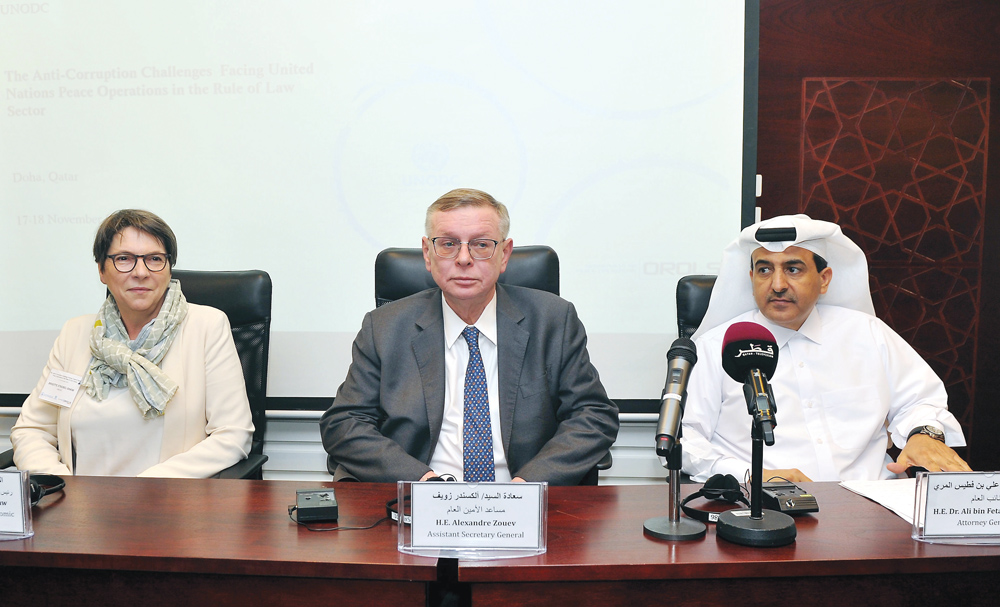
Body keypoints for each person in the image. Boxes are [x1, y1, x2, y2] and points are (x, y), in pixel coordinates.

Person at [320, 188, 618, 485]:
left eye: (481, 245)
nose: (463, 259)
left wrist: (529, 484)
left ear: (504, 255)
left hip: (523, 504)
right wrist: (420, 481)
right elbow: (344, 423)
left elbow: (593, 416)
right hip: (419, 502)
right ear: (428, 253)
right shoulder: (384, 327)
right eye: (448, 244)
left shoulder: (553, 321)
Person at [680, 214, 970, 483]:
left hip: (870, 506)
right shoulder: (714, 348)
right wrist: (752, 475)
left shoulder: (868, 334)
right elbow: (687, 441)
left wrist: (923, 434)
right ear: (751, 278)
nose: (777, 284)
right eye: (764, 270)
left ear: (824, 279)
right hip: (765, 508)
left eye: (793, 269)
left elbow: (919, 401)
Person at [11, 210, 254, 477]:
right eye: (124, 259)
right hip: (79, 510)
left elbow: (232, 435)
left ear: (168, 267)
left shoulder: (207, 326)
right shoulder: (76, 333)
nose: (141, 272)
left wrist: (144, 491)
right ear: (102, 270)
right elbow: (33, 429)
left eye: (154, 259)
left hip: (168, 505)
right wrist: (60, 486)